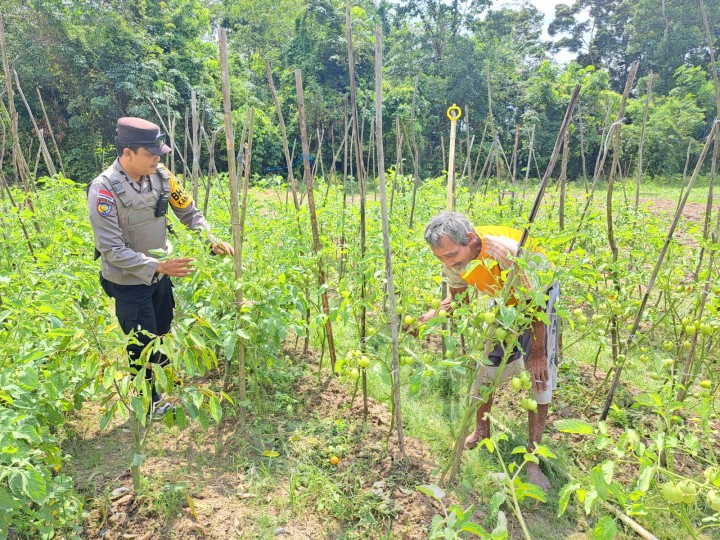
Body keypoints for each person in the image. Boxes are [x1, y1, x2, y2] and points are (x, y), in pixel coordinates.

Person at [88, 117, 234, 414]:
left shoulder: (164, 176)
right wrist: (159, 265)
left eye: (159, 154)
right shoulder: (103, 190)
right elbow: (111, 250)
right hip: (128, 280)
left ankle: (166, 379)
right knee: (140, 342)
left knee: (163, 329)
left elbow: (190, 214)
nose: (157, 159)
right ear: (127, 153)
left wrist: (211, 240)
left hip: (161, 274)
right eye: (150, 154)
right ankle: (148, 402)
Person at [418, 211, 559, 490]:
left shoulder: (506, 252)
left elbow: (535, 306)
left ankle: (532, 459)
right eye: (441, 258)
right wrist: (431, 316)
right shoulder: (453, 257)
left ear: (470, 240)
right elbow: (457, 298)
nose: (448, 264)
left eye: (451, 256)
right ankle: (481, 431)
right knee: (486, 369)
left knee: (538, 376)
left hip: (538, 297)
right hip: (504, 300)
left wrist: (538, 354)